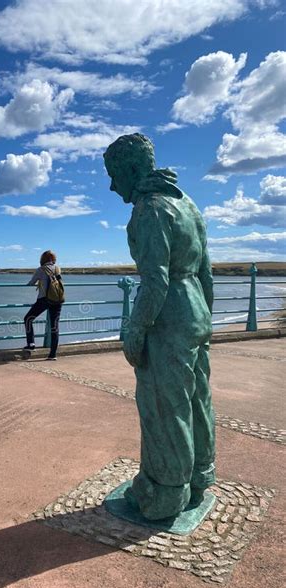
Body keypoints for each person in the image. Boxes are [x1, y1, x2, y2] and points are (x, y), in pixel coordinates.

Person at [104, 133, 215, 521]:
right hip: (195, 310)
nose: (112, 184)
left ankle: (166, 492)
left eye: (114, 174)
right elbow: (206, 272)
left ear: (131, 170)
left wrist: (135, 330)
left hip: (168, 317)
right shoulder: (186, 204)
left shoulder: (150, 209)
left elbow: (155, 281)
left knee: (164, 406)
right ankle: (200, 476)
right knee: (197, 399)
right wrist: (206, 318)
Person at [24, 250, 62, 360]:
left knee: (28, 319)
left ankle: (31, 344)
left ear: (42, 259)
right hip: (57, 299)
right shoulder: (57, 268)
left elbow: (31, 282)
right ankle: (52, 354)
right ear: (53, 259)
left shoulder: (41, 269)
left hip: (44, 300)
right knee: (55, 326)